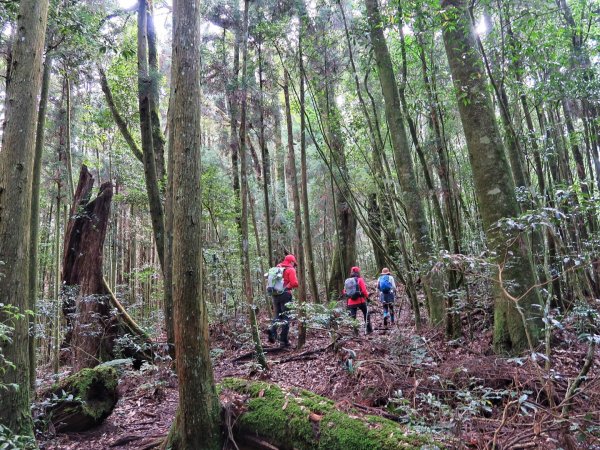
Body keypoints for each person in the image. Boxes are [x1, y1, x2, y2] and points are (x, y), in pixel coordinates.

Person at [267, 254, 298, 347]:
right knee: (286, 317)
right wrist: (286, 287)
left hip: (275, 295)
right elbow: (295, 283)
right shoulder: (290, 269)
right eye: (294, 263)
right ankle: (283, 341)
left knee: (277, 315)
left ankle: (272, 330)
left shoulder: (277, 268)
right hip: (285, 295)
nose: (294, 265)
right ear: (291, 262)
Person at [343, 266, 372, 334]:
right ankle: (368, 329)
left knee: (353, 317)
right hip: (360, 300)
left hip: (351, 302)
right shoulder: (360, 280)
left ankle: (355, 332)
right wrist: (367, 297)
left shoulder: (348, 281)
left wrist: (351, 295)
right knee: (366, 313)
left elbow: (344, 291)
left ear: (351, 272)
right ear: (358, 272)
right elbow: (364, 291)